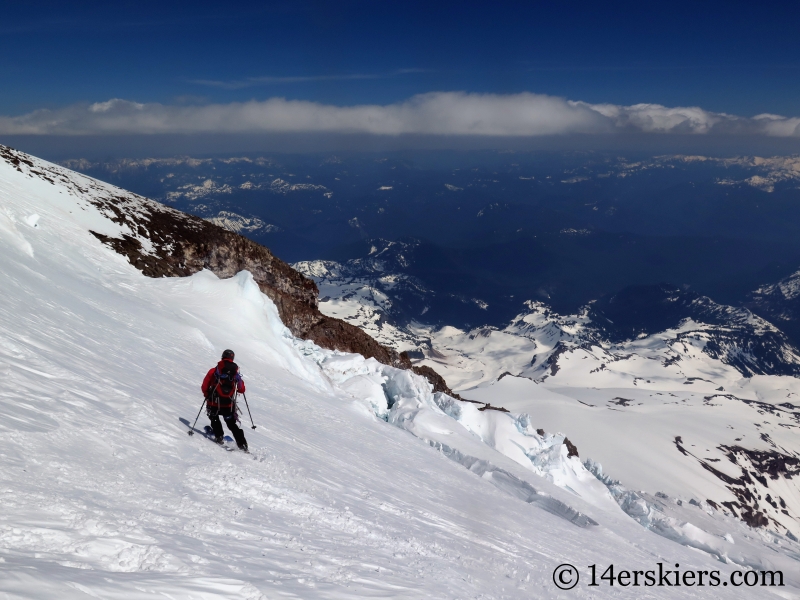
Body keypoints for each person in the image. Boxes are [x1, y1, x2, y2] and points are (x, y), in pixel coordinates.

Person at [201, 349, 248, 451]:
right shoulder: (235, 373)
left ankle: (219, 436)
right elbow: (242, 389)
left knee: (214, 418)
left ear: (222, 357)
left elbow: (204, 386)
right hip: (228, 405)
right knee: (231, 424)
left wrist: (207, 395)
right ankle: (242, 444)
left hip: (213, 402)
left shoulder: (214, 371)